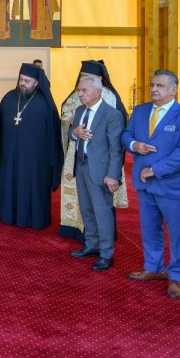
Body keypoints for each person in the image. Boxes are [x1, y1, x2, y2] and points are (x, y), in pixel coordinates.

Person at [122, 69, 180, 299]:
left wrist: (155, 170)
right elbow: (126, 135)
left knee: (178, 234)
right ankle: (153, 267)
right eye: (152, 85)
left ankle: (176, 276)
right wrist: (134, 144)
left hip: (173, 185)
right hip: (144, 184)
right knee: (149, 229)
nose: (154, 89)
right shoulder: (140, 111)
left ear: (174, 90)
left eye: (160, 86)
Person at [59, 61, 129, 242]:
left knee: (101, 208)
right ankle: (89, 242)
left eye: (87, 84)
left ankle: (105, 252)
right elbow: (67, 119)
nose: (81, 92)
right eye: (82, 78)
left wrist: (113, 173)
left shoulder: (110, 100)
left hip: (100, 163)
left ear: (99, 82)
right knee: (85, 206)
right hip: (78, 160)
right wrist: (73, 128)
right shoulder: (79, 102)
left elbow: (115, 144)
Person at [0, 63, 62, 229]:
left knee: (33, 187)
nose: (22, 83)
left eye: (27, 80)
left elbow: (53, 136)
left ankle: (35, 219)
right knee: (11, 183)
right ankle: (9, 216)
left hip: (36, 160)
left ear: (36, 83)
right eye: (21, 79)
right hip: (10, 156)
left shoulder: (45, 105)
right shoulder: (9, 98)